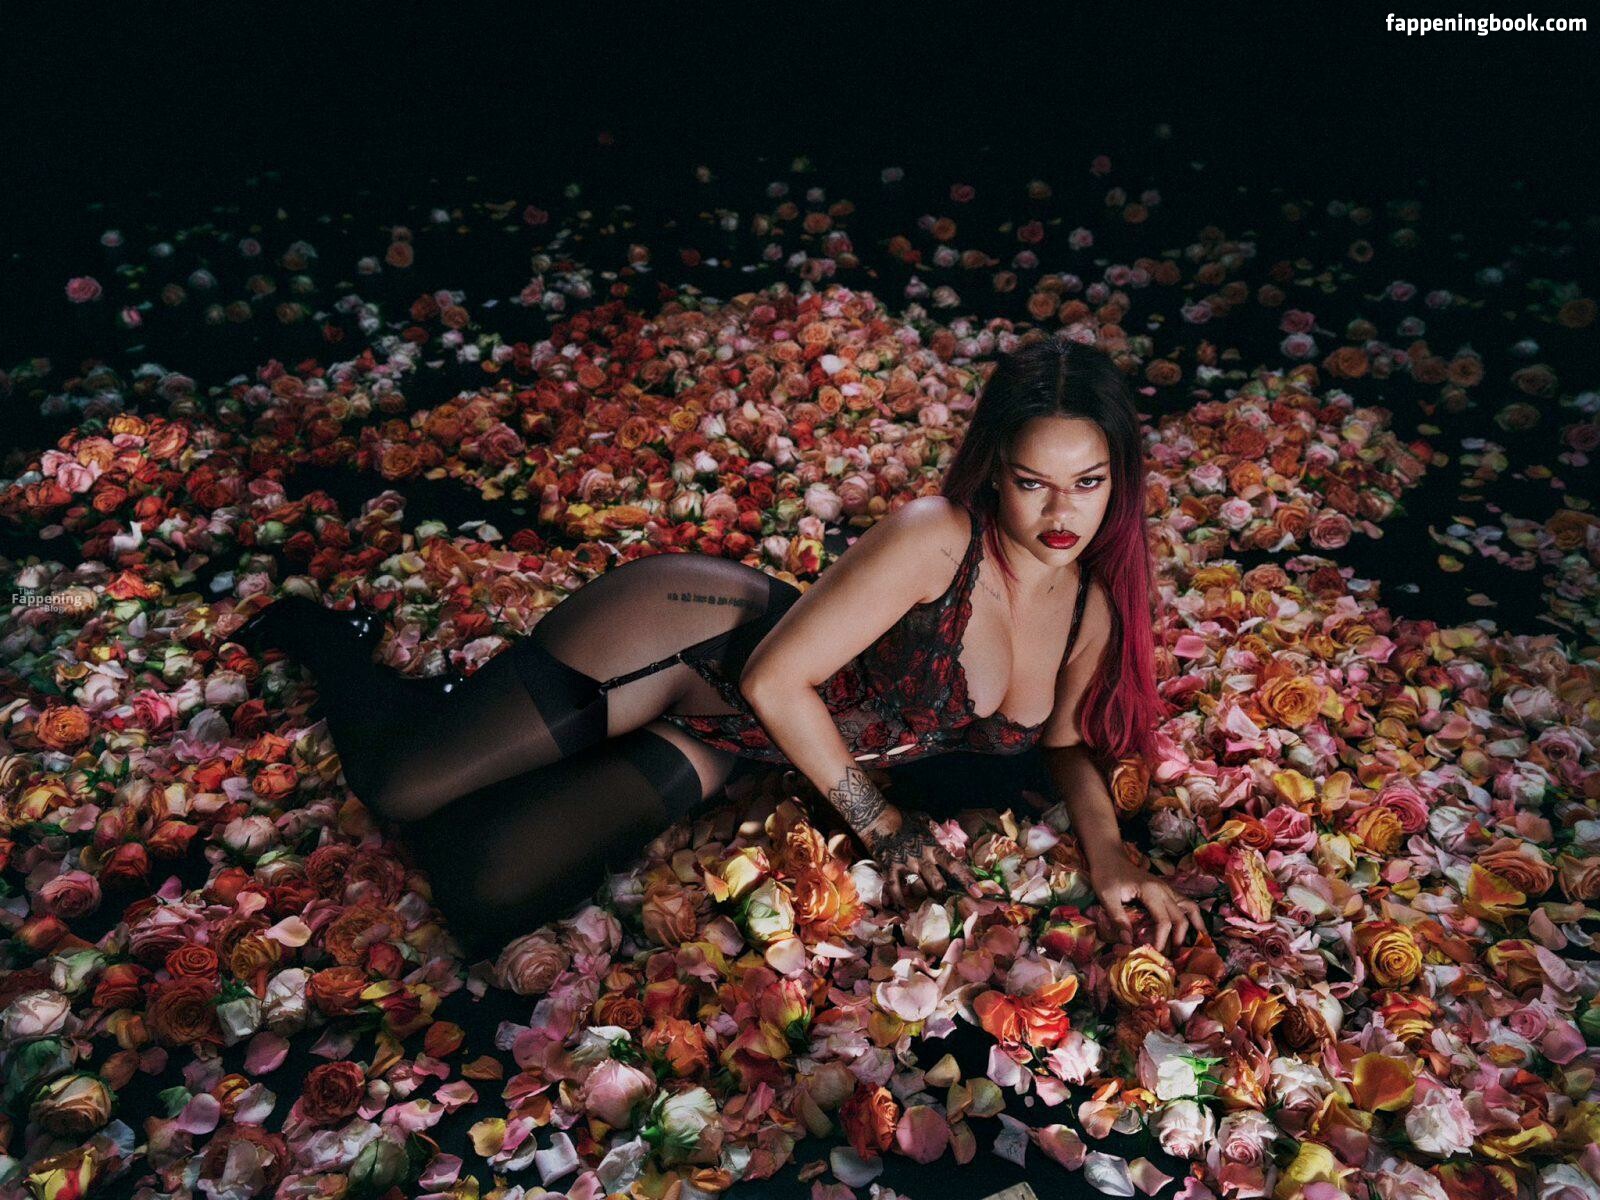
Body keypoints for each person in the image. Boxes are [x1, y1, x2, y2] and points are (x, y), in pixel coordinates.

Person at [232, 338, 1202, 958]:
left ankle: (509, 727)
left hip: (738, 740)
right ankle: (335, 640)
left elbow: (1066, 746)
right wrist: (885, 828)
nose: (1062, 511)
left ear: (1118, 478)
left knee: (483, 897)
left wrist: (1111, 856)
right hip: (691, 643)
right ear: (994, 470)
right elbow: (775, 676)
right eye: (1033, 482)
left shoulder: (1088, 610)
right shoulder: (936, 538)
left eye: (1088, 482)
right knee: (402, 785)